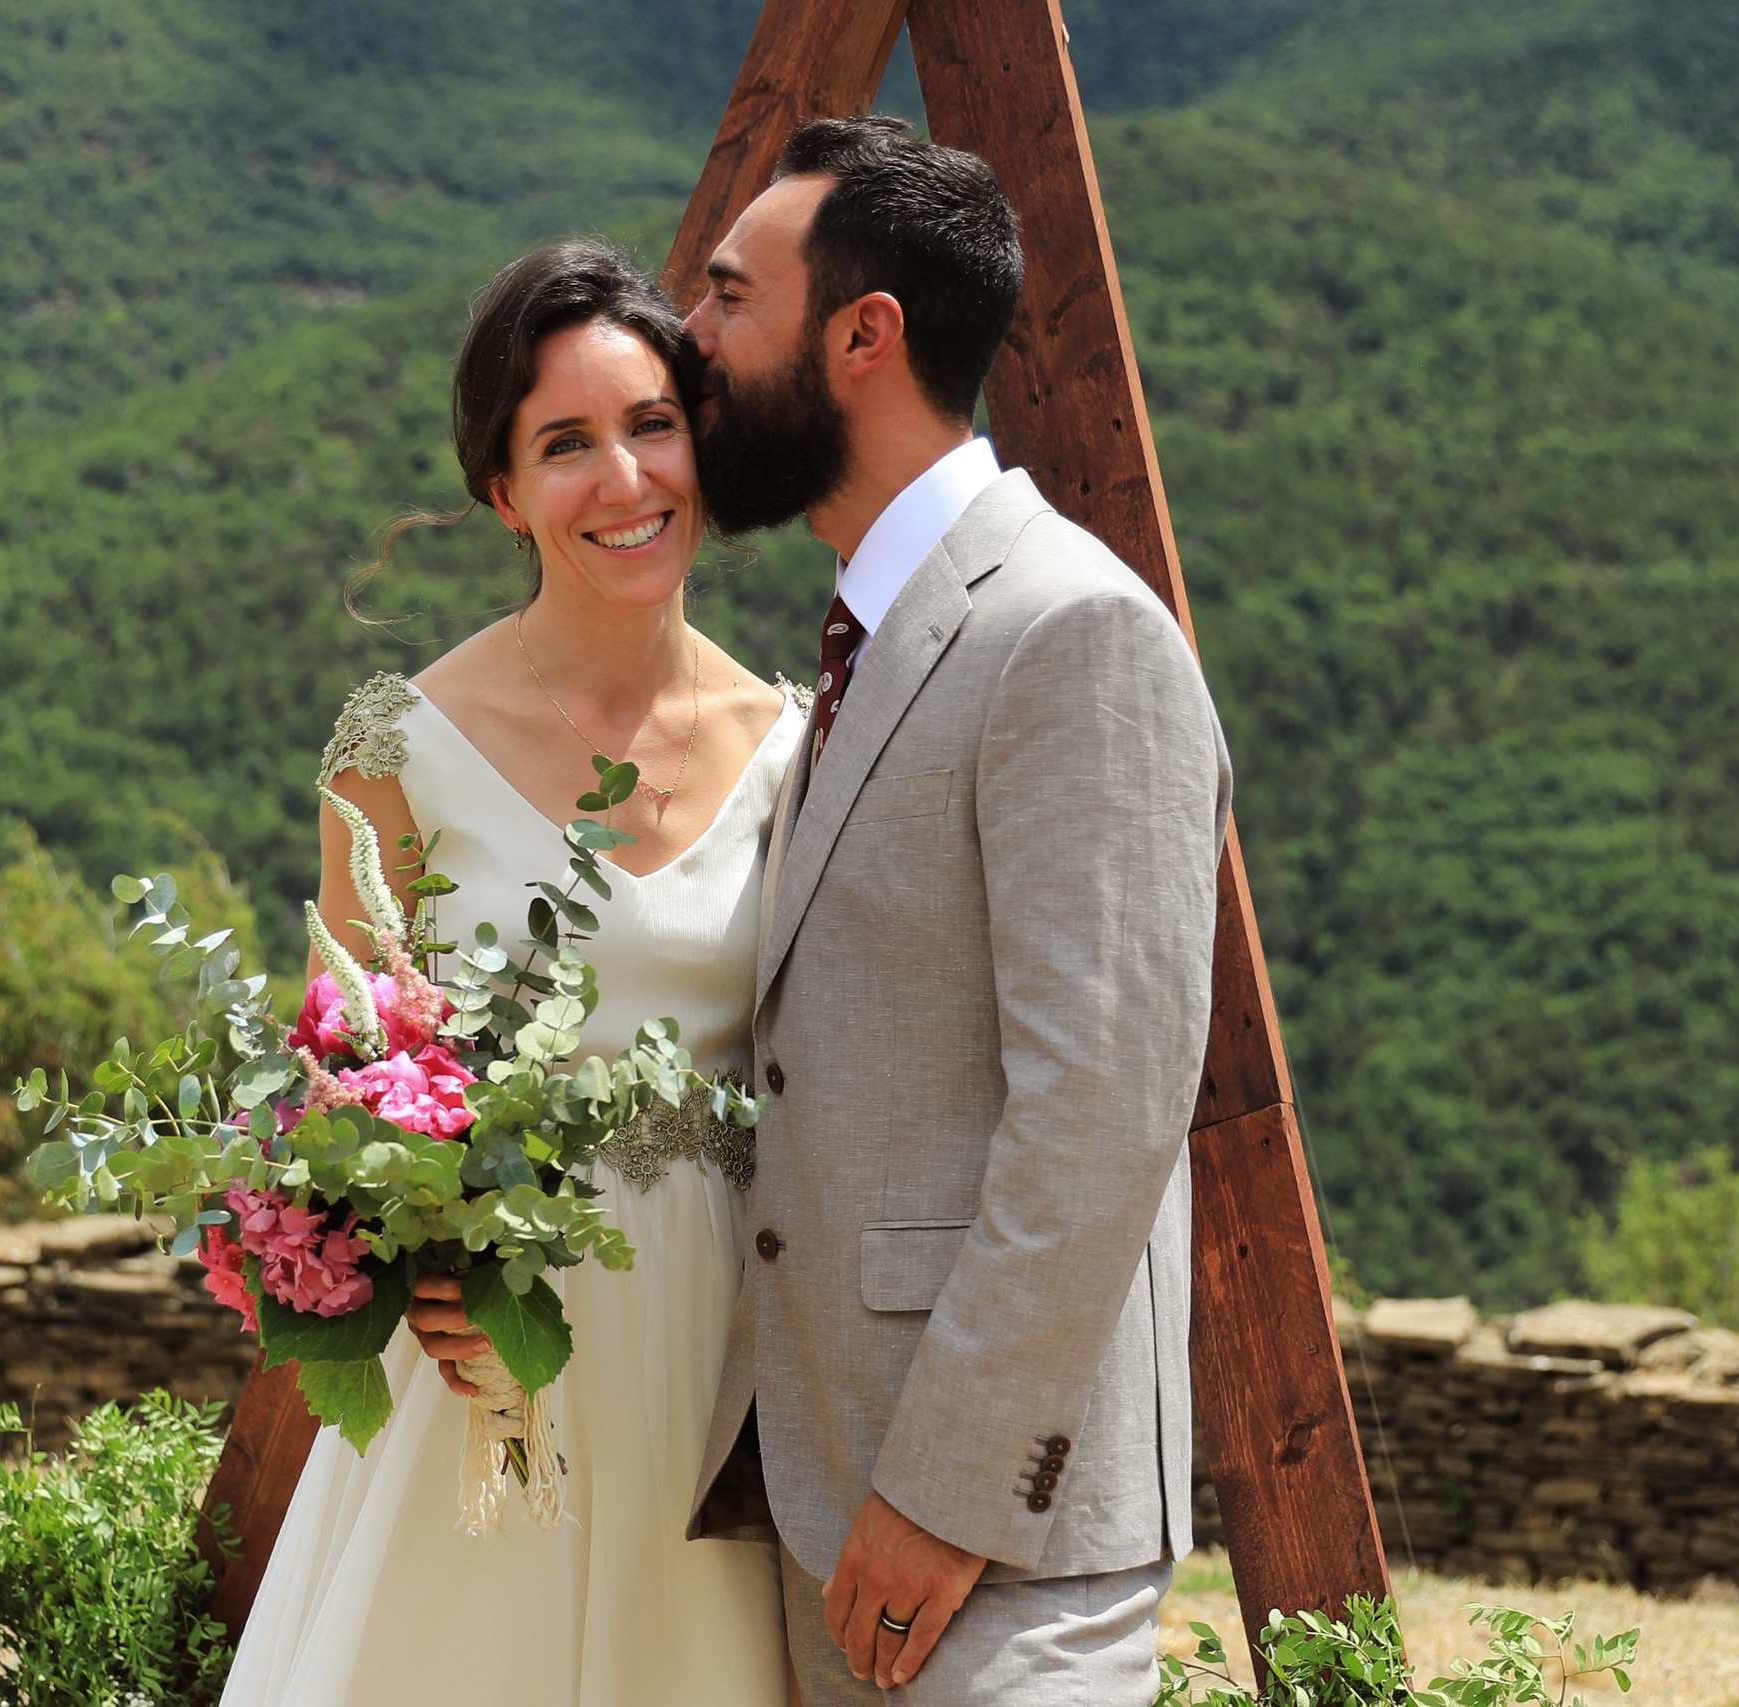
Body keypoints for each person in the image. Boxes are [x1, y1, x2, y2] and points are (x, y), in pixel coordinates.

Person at [679, 116, 1234, 1704]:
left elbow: (1106, 1110)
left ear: (864, 336)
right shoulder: (874, 633)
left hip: (988, 1549)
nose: (689, 340)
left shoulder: (1073, 634)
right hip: (824, 1508)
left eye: (729, 298)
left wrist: (948, 1491)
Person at [215, 238, 804, 1706]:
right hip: (486, 1357)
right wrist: (416, 1254)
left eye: (652, 426)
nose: (624, 480)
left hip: (719, 1361)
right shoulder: (396, 749)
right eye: (566, 445)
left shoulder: (803, 747)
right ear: (503, 491)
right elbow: (334, 1073)